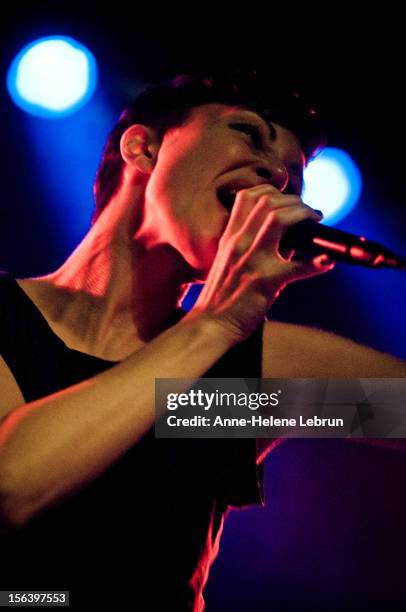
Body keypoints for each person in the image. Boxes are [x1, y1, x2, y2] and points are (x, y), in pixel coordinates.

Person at [0, 71, 405, 611]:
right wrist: (212, 323)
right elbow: (11, 489)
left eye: (291, 177)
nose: (276, 177)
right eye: (247, 134)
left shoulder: (229, 392)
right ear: (142, 148)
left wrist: (220, 331)